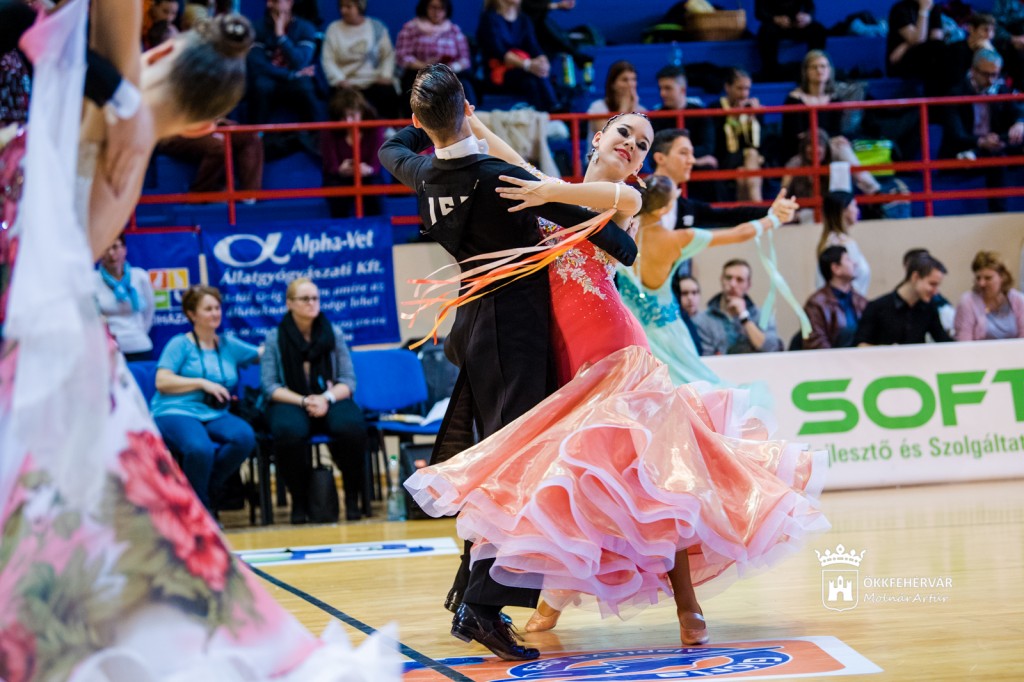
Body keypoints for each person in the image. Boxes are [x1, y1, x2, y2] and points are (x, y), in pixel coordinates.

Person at [0, 5, 397, 677]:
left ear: (160, 54)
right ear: (204, 129)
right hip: (51, 339)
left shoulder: (89, 95)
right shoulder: (120, 152)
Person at [405, 110, 827, 646]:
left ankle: (688, 605)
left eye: (643, 144)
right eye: (624, 132)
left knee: (658, 477)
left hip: (616, 351)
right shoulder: (556, 188)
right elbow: (512, 160)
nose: (631, 144)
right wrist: (474, 123)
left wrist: (538, 186)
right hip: (566, 358)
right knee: (577, 481)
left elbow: (567, 192)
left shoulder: (624, 199)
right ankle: (551, 599)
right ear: (599, 137)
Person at [378, 64, 639, 662]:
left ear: (419, 120)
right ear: (468, 108)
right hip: (515, 336)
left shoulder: (421, 172)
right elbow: (618, 245)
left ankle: (468, 587)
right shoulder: (502, 179)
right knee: (521, 471)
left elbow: (393, 147)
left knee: (498, 465)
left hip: (472, 330)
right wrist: (551, 191)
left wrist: (434, 125)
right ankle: (482, 604)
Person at [618, 174, 797, 384]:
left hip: (629, 335)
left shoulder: (621, 230)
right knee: (691, 389)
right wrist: (773, 219)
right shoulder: (677, 239)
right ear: (664, 209)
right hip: (669, 337)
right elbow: (739, 233)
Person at [262, 278, 367, 523]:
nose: (312, 303)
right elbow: (270, 386)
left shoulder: (333, 333)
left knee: (351, 426)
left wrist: (325, 398)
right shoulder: (275, 338)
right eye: (305, 299)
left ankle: (352, 498)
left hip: (329, 397)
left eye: (315, 298)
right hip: (291, 399)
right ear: (289, 303)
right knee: (287, 430)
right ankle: (299, 500)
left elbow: (348, 381)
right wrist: (304, 401)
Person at [150, 285, 259, 512]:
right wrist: (201, 383)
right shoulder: (180, 344)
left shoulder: (228, 344)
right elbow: (162, 381)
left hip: (214, 413)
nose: (215, 313)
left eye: (217, 308)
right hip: (175, 411)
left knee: (244, 437)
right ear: (192, 314)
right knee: (200, 449)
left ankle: (205, 490)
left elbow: (261, 354)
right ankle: (200, 510)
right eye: (208, 309)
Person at [780, 51, 880, 195]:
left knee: (841, 150)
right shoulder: (794, 99)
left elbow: (836, 131)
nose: (819, 70)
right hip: (802, 151)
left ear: (829, 71)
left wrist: (831, 140)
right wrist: (824, 140)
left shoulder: (834, 99)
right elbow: (795, 135)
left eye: (823, 66)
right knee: (839, 149)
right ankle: (873, 190)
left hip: (828, 150)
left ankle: (846, 203)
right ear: (806, 72)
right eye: (814, 67)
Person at [940, 49, 1024, 213]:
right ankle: (999, 215)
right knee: (995, 156)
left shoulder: (1000, 88)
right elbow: (956, 134)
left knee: (1004, 144)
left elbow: (1017, 110)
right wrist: (980, 142)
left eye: (995, 75)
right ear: (973, 70)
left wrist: (1020, 123)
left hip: (996, 143)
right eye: (986, 74)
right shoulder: (955, 93)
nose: (991, 80)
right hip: (964, 147)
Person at [651, 128, 766, 229]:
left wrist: (771, 211)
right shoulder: (642, 196)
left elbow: (729, 214)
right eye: (683, 153)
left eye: (692, 154)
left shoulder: (685, 207)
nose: (692, 160)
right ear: (660, 158)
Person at [321, 0, 401, 120]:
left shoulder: (376, 27)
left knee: (388, 93)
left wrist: (385, 75)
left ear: (360, 7)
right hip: (346, 83)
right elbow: (328, 60)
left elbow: (388, 55)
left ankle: (389, 129)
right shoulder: (333, 29)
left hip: (373, 81)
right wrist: (339, 80)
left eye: (348, 7)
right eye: (341, 7)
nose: (343, 10)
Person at [245, 0, 321, 124]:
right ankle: (255, 133)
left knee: (306, 87)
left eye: (275, 1)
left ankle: (313, 134)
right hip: (271, 78)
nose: (269, 4)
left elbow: (300, 62)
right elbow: (257, 65)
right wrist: (291, 74)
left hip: (295, 81)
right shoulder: (257, 28)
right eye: (269, 1)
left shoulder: (305, 28)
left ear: (290, 3)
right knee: (260, 85)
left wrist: (281, 37)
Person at [395, 0, 476, 113]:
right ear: (425, 7)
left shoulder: (453, 30)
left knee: (464, 85)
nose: (437, 12)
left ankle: (466, 117)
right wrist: (424, 65)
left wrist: (452, 67)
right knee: (413, 86)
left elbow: (465, 59)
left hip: (449, 72)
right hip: (420, 72)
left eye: (441, 8)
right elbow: (402, 56)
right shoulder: (411, 28)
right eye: (433, 7)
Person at [477, 0, 558, 112]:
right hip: (500, 73)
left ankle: (554, 111)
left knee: (541, 73)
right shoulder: (489, 19)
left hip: (526, 69)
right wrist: (527, 65)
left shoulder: (524, 19)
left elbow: (534, 47)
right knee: (531, 79)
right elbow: (498, 51)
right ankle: (549, 112)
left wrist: (543, 63)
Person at [855, 252, 953, 345]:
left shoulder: (929, 309)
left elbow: (944, 341)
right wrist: (887, 350)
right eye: (932, 284)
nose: (936, 291)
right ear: (915, 277)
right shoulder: (877, 307)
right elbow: (861, 344)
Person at [694, 259, 785, 355]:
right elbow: (705, 358)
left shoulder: (763, 316)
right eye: (728, 278)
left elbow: (771, 349)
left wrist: (744, 317)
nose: (733, 284)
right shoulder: (703, 319)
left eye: (739, 280)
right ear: (721, 279)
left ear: (748, 285)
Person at [321, 85, 384, 218]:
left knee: (374, 187)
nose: (349, 121)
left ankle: (374, 227)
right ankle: (341, 229)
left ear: (362, 112)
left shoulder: (375, 128)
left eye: (352, 115)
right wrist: (340, 170)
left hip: (368, 176)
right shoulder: (329, 131)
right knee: (335, 189)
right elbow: (330, 165)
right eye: (343, 117)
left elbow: (376, 163)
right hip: (339, 178)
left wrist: (368, 170)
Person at [94, 233, 156, 361]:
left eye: (115, 247)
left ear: (124, 249)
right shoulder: (92, 280)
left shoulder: (140, 276)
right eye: (106, 248)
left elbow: (149, 311)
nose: (111, 253)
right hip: (108, 350)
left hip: (140, 346)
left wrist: (138, 334)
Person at [709, 68, 763, 203]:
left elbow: (757, 144)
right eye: (739, 88)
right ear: (727, 87)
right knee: (751, 155)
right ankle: (759, 205)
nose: (744, 94)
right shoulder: (715, 107)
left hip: (749, 161)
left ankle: (748, 211)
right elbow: (716, 143)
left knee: (742, 174)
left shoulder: (752, 108)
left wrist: (753, 118)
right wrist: (733, 118)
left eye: (747, 89)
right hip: (726, 158)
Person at [803, 245, 867, 349]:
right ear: (836, 268)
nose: (854, 263)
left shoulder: (861, 301)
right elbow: (816, 342)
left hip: (861, 356)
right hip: (833, 357)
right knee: (848, 334)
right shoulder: (816, 303)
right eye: (848, 259)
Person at [953, 250, 1024, 340]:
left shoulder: (1018, 300)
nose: (981, 283)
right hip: (978, 349)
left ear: (1002, 277)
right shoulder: (968, 302)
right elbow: (964, 341)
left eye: (988, 278)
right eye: (978, 278)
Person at [755, 0, 827, 80]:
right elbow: (760, 13)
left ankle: (815, 65)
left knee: (818, 30)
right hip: (774, 25)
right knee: (766, 32)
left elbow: (809, 6)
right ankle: (770, 71)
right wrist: (775, 19)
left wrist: (807, 17)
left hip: (798, 24)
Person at [816, 190, 870, 297]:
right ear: (844, 210)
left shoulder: (832, 241)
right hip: (844, 303)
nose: (857, 211)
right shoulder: (840, 243)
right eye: (854, 206)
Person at [886, 0, 945, 94]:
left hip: (925, 59)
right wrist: (923, 10)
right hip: (902, 62)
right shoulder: (900, 9)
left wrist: (905, 45)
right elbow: (919, 40)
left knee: (942, 52)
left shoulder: (934, 8)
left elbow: (937, 40)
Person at [586, 60, 645, 135]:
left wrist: (633, 109)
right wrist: (623, 109)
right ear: (613, 84)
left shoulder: (642, 110)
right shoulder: (597, 108)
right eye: (625, 80)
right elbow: (608, 136)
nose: (630, 84)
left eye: (633, 79)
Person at [946, 13, 996, 89]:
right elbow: (955, 81)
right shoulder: (956, 49)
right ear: (971, 29)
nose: (990, 35)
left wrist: (990, 53)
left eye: (992, 31)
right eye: (985, 30)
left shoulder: (991, 49)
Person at [674, 273, 704, 355]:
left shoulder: (709, 321)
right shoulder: (673, 325)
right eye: (684, 293)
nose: (690, 298)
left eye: (694, 292)